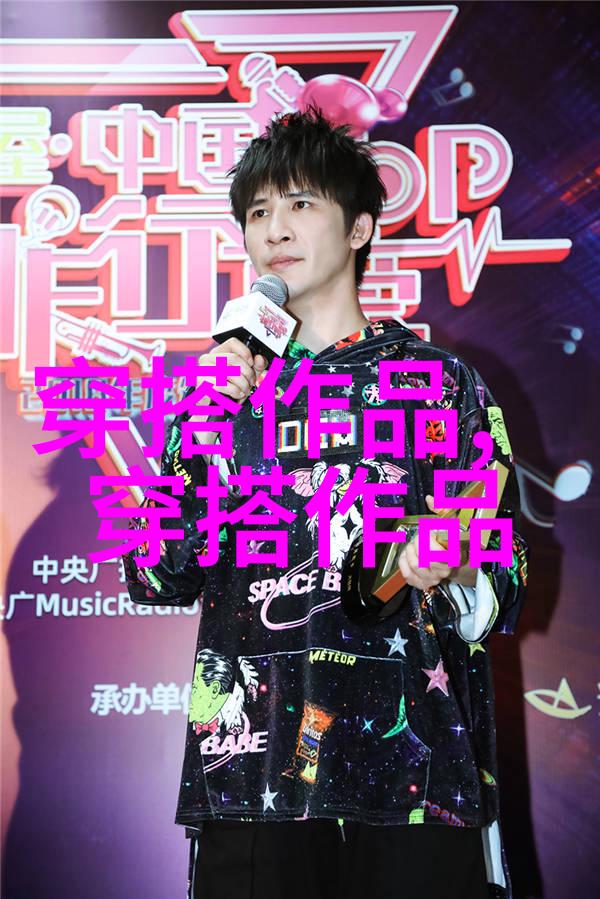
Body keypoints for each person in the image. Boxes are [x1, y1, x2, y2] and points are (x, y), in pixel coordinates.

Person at [123, 108, 527, 899]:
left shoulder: (439, 383)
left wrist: (450, 564)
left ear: (360, 227)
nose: (275, 228)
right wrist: (198, 433)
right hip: (252, 773)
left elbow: (505, 570)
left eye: (301, 203)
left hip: (413, 773)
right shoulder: (219, 390)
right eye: (258, 212)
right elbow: (153, 572)